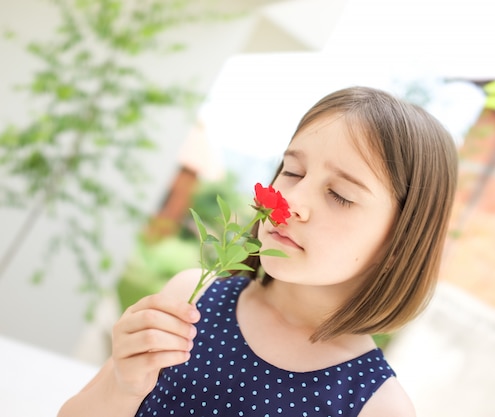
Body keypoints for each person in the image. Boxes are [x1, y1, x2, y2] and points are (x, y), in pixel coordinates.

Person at [58, 86, 458, 417]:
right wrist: (124, 386)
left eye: (339, 195)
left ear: (399, 244)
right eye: (293, 171)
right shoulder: (192, 300)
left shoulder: (377, 406)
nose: (291, 200)